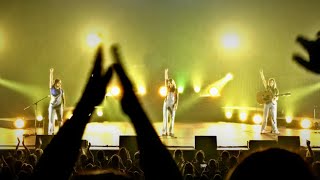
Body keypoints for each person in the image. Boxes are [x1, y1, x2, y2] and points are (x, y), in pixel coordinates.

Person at [259, 70, 280, 134]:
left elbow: (277, 97)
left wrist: (275, 98)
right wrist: (262, 74)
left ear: (274, 83)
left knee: (274, 118)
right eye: (270, 82)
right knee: (265, 117)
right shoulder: (267, 87)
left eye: (272, 82)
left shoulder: (276, 90)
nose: (271, 83)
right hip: (267, 103)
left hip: (273, 104)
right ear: (269, 83)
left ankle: (274, 130)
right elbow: (263, 81)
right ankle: (262, 129)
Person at [48, 68, 65, 135]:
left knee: (60, 120)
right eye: (59, 82)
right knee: (51, 120)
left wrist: (63, 106)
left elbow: (63, 98)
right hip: (52, 106)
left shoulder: (61, 90)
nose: (60, 84)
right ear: (56, 83)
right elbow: (50, 80)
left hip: (59, 106)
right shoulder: (52, 88)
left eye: (60, 83)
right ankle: (51, 133)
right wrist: (51, 73)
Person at [162, 68, 179, 137]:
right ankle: (164, 132)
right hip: (166, 103)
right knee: (165, 117)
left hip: (172, 104)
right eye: (168, 83)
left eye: (170, 83)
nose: (169, 84)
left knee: (172, 118)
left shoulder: (175, 89)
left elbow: (177, 98)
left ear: (172, 83)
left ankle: (171, 132)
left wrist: (175, 105)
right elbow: (166, 79)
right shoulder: (167, 87)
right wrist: (166, 72)